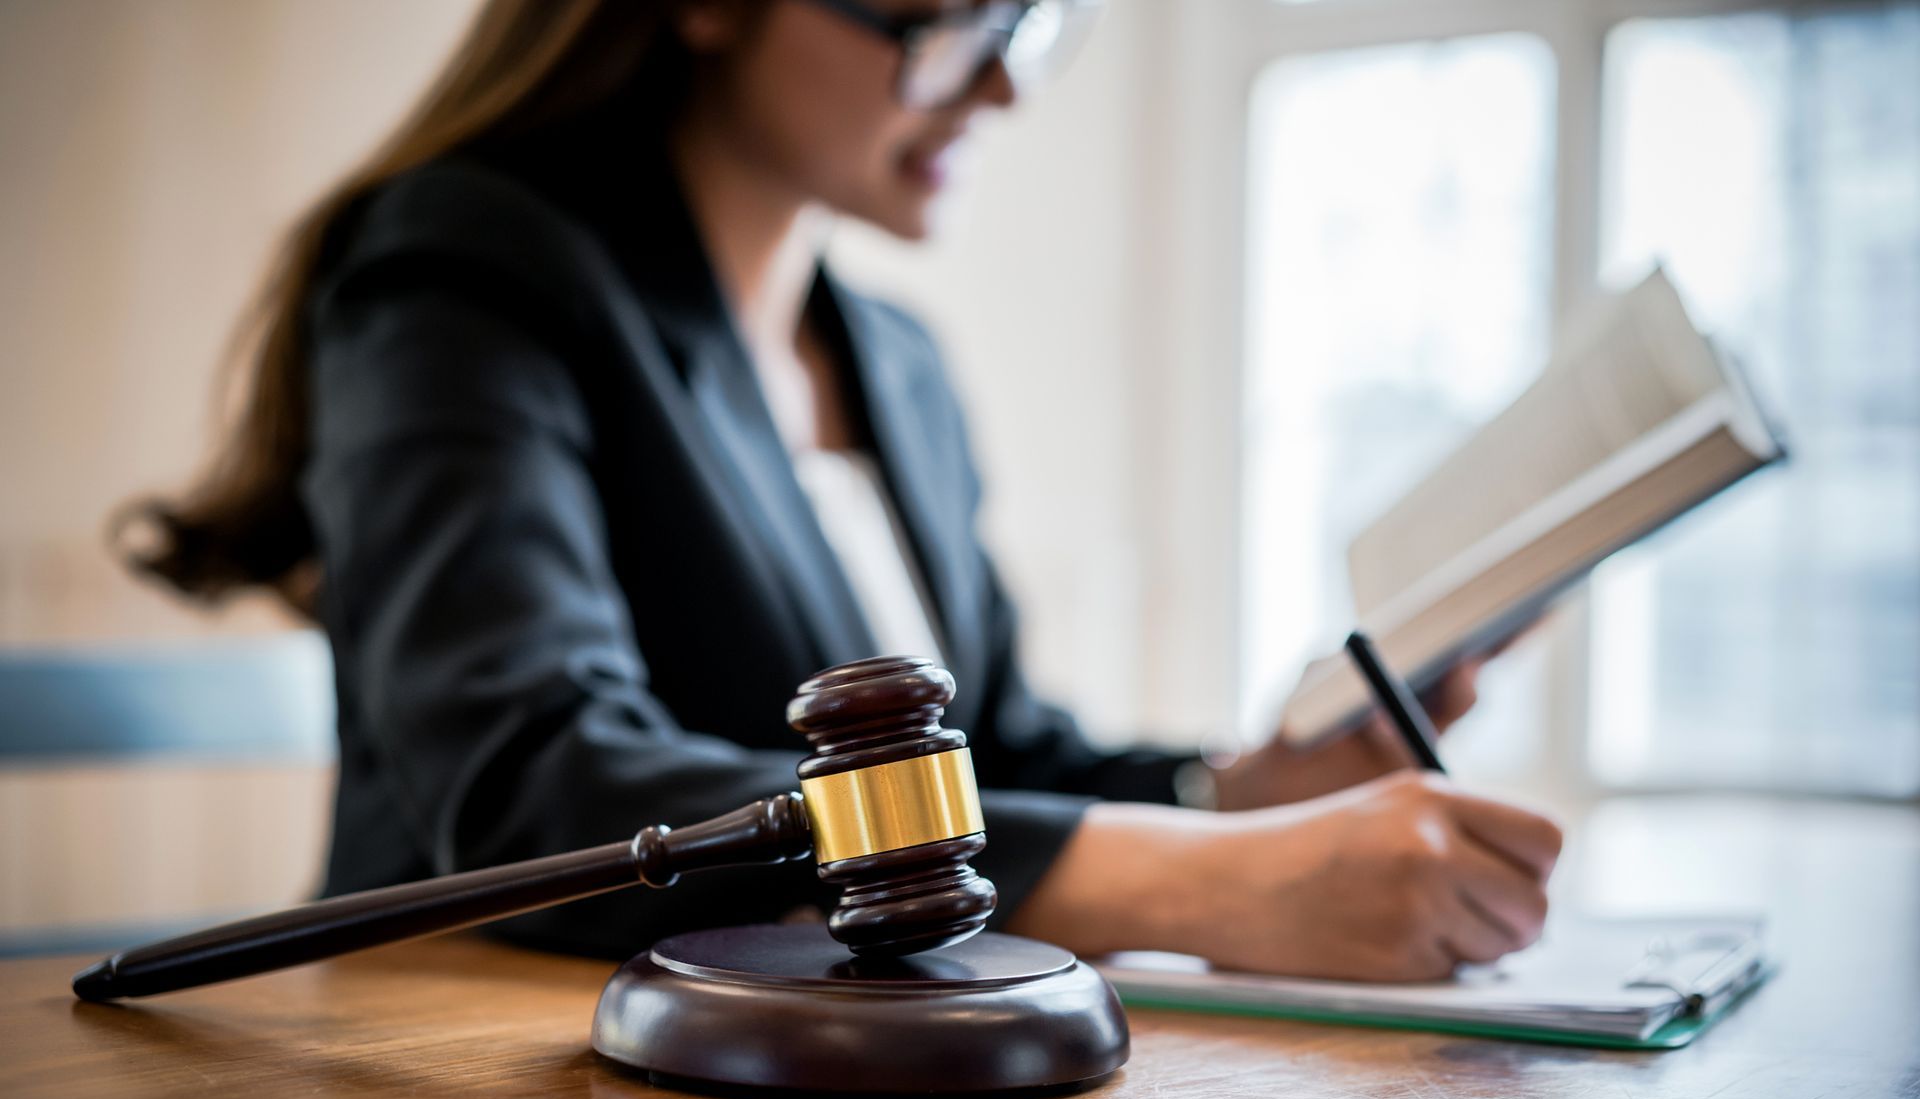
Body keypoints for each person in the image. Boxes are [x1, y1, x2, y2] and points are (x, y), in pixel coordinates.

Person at [124, 0, 1560, 982]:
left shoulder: (897, 364)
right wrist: (1198, 883)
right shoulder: (466, 272)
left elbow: (988, 751)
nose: (996, 82)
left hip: (821, 1087)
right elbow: (532, 789)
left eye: (1018, 21)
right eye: (936, 21)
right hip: (472, 1074)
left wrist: (1228, 795)